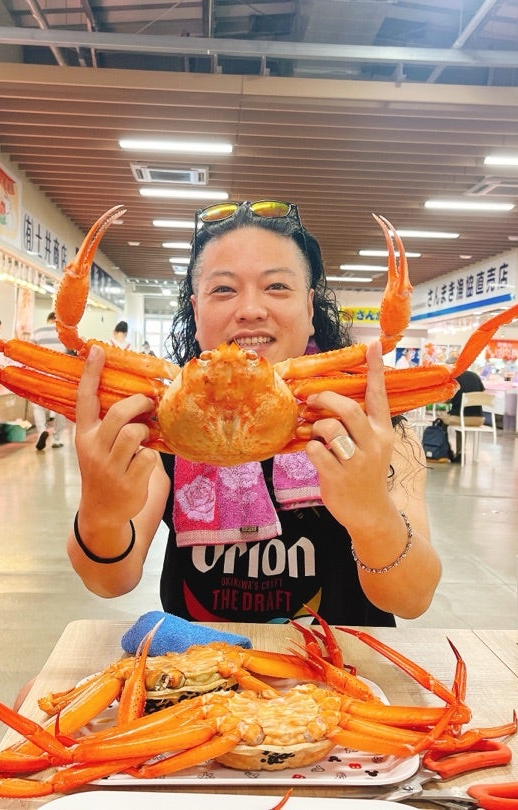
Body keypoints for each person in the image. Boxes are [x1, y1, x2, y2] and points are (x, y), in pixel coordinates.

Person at [66, 200, 441, 625]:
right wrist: (100, 508)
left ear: (310, 309)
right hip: (206, 674)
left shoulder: (374, 428)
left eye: (277, 287)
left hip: (346, 677)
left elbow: (413, 600)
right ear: (195, 309)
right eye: (223, 289)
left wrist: (373, 513)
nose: (250, 309)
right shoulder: (149, 427)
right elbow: (109, 580)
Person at [30, 312, 67, 450]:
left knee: (37, 405)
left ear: (48, 320)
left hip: (41, 373)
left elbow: (30, 353)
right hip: (60, 375)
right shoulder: (65, 333)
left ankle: (41, 431)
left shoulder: (37, 331)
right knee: (60, 408)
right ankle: (57, 439)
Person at [439, 368, 486, 463]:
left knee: (442, 419)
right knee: (460, 419)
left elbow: (446, 400)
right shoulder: (475, 376)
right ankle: (461, 452)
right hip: (478, 419)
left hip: (459, 419)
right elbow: (482, 392)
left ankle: (445, 452)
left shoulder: (453, 379)